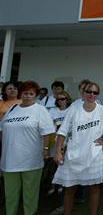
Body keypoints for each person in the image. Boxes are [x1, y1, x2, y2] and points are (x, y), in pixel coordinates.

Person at [52, 81, 103, 215]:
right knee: (69, 188)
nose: (92, 94)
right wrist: (58, 152)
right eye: (89, 92)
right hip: (73, 154)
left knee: (94, 188)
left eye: (95, 92)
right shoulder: (74, 109)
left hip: (94, 154)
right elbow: (62, 132)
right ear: (82, 93)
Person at [0, 80, 55, 215]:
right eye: (25, 93)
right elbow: (2, 130)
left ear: (36, 95)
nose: (27, 96)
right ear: (20, 93)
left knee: (30, 195)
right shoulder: (12, 110)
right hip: (9, 161)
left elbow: (47, 133)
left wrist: (46, 150)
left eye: (31, 93)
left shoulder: (40, 110)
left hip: (31, 161)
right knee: (10, 195)